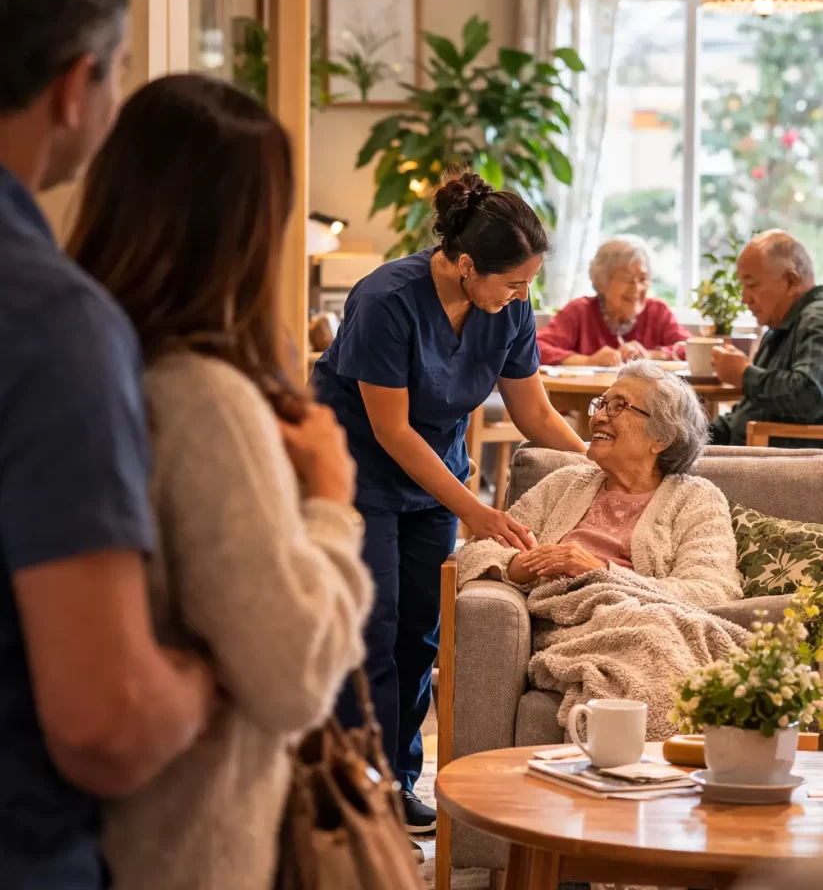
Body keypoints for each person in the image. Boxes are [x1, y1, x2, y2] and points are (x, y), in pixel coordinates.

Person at [67, 74, 373, 889]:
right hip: (188, 838)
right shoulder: (204, 400)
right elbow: (294, 677)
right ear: (245, 231)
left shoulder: (85, 363)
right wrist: (330, 503)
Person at [0, 0, 219, 890]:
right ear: (76, 86)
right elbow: (105, 723)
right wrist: (206, 677)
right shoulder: (47, 323)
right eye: (119, 70)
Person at [313, 171, 586, 834]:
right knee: (371, 628)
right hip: (359, 472)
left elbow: (535, 413)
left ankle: (400, 778)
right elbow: (390, 430)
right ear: (466, 266)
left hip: (435, 475)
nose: (524, 296)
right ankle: (356, 784)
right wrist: (477, 509)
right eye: (514, 283)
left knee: (420, 633)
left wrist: (602, 463)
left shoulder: (508, 310)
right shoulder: (387, 299)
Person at [459, 361, 741, 608]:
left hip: (651, 623)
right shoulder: (564, 484)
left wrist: (599, 571)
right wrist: (523, 566)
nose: (599, 417)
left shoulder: (696, 499)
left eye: (619, 407)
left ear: (662, 438)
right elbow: (476, 553)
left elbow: (712, 591)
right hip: (568, 624)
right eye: (602, 404)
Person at [710, 230, 823, 447]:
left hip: (782, 470)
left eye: (751, 285)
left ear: (791, 281)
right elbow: (748, 412)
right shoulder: (777, 327)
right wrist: (690, 437)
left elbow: (810, 395)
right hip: (750, 453)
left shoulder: (817, 317)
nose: (744, 299)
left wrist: (744, 375)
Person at [537, 236, 689, 367]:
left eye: (643, 279)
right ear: (603, 281)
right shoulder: (580, 311)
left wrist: (651, 355)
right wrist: (588, 361)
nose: (637, 288)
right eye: (627, 279)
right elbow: (535, 347)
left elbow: (690, 348)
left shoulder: (657, 312)